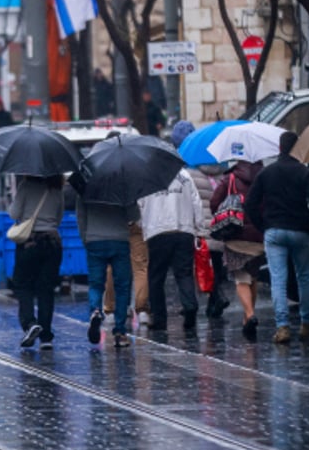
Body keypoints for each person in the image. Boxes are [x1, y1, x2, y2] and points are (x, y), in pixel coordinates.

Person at [245, 131, 309, 344]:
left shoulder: (267, 173)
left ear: (279, 148)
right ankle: (307, 323)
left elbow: (250, 204)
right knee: (304, 277)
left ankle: (282, 328)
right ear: (297, 148)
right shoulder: (305, 173)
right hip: (300, 231)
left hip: (274, 231)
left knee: (278, 279)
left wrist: (263, 225)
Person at [171, 120, 230, 320]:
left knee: (197, 269)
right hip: (220, 226)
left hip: (199, 229)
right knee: (217, 267)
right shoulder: (221, 169)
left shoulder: (188, 174)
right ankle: (216, 300)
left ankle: (207, 300)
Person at [139, 168, 204, 331]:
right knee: (184, 273)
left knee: (156, 278)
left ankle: (160, 319)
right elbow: (196, 201)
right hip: (184, 229)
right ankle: (189, 305)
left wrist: (144, 227)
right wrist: (199, 227)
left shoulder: (145, 176)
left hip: (157, 231)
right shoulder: (185, 175)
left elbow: (140, 206)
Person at [76, 185, 136, 348]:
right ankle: (120, 330)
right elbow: (134, 215)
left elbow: (81, 216)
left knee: (96, 284)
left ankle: (95, 310)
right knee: (122, 287)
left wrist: (85, 239)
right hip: (119, 240)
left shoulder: (85, 186)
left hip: (94, 240)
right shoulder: (124, 185)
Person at [9, 175, 65, 349]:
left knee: (23, 285)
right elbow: (59, 217)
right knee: (46, 289)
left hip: (30, 243)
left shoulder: (26, 186)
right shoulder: (57, 189)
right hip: (52, 243)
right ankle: (46, 337)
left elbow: (14, 213)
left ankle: (30, 323)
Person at [213, 159, 266, 339]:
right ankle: (247, 317)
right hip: (259, 236)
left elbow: (214, 202)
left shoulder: (231, 178)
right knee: (253, 277)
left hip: (235, 235)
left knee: (241, 278)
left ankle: (250, 314)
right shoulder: (264, 176)